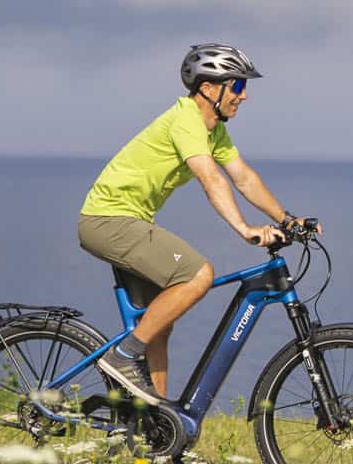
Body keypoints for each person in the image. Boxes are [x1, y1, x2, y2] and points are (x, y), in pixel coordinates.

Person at [77, 44, 315, 404]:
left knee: (158, 326)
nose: (244, 95)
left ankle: (156, 429)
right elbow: (210, 177)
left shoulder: (213, 131)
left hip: (126, 220)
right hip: (108, 220)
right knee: (198, 275)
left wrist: (286, 219)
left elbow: (243, 177)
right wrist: (244, 228)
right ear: (208, 88)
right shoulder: (186, 119)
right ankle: (122, 358)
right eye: (236, 86)